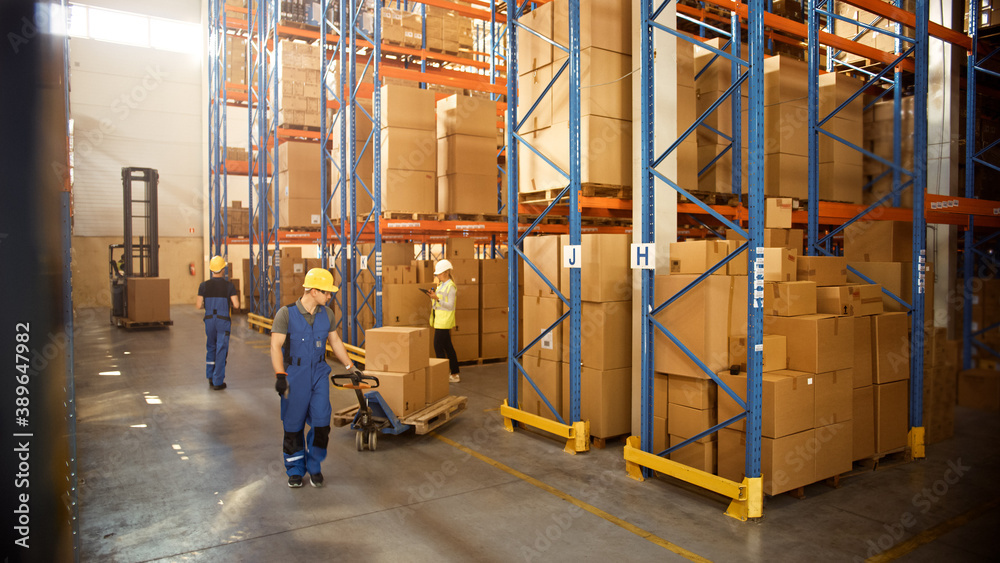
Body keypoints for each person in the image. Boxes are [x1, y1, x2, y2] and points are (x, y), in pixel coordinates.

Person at [270, 267, 357, 489]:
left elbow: (335, 341)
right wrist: (280, 375)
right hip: (294, 376)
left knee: (321, 424)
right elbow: (275, 346)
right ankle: (295, 470)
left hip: (319, 373)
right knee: (293, 425)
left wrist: (350, 366)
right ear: (314, 291)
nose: (330, 297)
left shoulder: (326, 314)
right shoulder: (286, 314)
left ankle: (314, 465)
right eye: (327, 292)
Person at [196, 255, 240, 390]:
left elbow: (198, 305)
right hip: (222, 321)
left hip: (209, 320)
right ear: (223, 269)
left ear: (211, 270)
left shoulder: (203, 285)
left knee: (211, 347)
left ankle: (210, 376)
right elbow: (237, 305)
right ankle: (218, 381)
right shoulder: (229, 286)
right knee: (221, 349)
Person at [426, 259, 460, 383]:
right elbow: (438, 301)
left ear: (445, 272)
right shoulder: (441, 285)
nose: (437, 276)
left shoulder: (451, 287)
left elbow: (450, 306)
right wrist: (433, 297)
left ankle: (442, 374)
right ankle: (454, 373)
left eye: (439, 274)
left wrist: (437, 298)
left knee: (438, 346)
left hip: (445, 321)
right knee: (448, 347)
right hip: (438, 319)